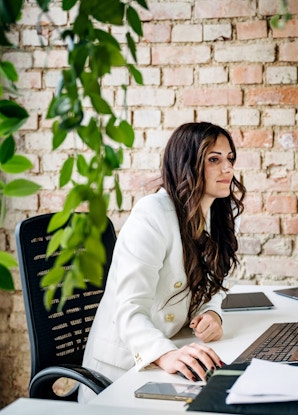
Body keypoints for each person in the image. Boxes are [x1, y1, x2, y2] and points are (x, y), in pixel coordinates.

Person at [79, 122, 246, 402]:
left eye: (229, 158)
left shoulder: (222, 214)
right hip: (121, 371)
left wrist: (212, 314)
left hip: (175, 346)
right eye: (214, 160)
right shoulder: (152, 214)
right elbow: (129, 308)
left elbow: (217, 283)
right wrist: (165, 354)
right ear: (187, 165)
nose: (227, 169)